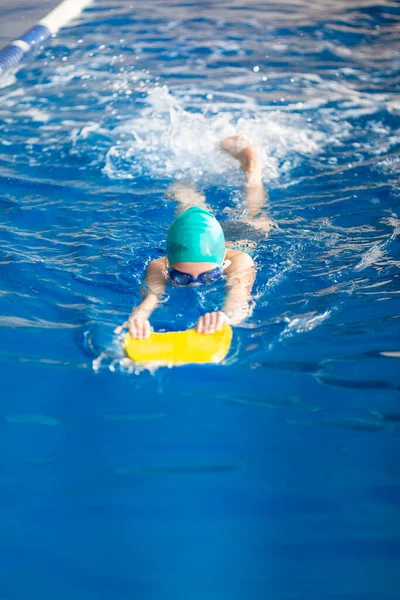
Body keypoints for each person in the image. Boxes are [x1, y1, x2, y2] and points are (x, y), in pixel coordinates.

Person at [115, 135, 273, 339]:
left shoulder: (241, 261)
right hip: (197, 238)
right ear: (169, 264)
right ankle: (183, 180)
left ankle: (252, 164)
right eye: (181, 277)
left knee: (253, 208)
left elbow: (239, 297)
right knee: (189, 208)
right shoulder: (159, 266)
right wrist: (139, 317)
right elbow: (151, 297)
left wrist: (226, 317)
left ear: (222, 263)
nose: (196, 285)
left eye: (210, 276)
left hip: (245, 233)